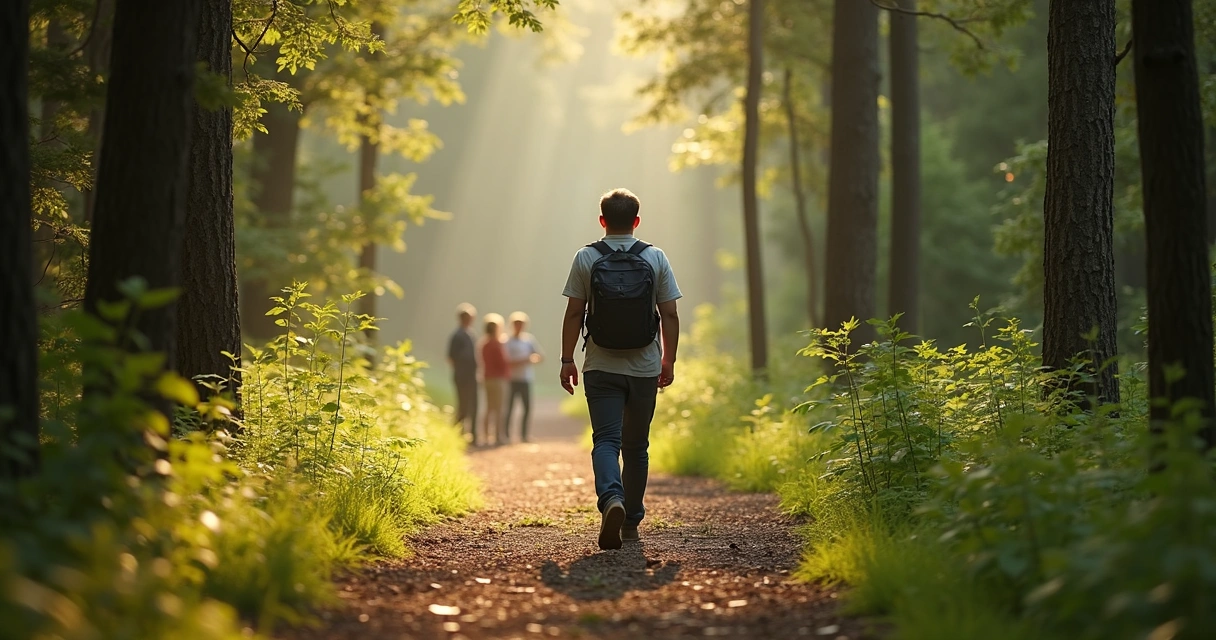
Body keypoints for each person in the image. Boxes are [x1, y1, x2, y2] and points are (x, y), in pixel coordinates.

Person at [559, 188, 681, 551]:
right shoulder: (655, 257)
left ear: (602, 221)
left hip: (600, 365)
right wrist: (668, 359)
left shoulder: (586, 257)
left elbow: (573, 313)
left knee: (606, 440)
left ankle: (611, 498)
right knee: (637, 446)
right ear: (637, 221)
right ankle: (630, 522)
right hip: (644, 367)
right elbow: (670, 314)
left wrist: (568, 360)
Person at [503, 311, 543, 443]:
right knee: (509, 407)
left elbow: (539, 356)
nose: (519, 327)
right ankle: (506, 435)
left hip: (525, 378)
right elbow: (506, 361)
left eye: (521, 324)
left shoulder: (528, 340)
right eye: (517, 324)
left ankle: (524, 435)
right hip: (511, 379)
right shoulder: (507, 341)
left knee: (527, 407)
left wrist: (533, 359)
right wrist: (524, 360)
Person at [447, 303, 480, 444]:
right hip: (462, 376)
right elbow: (451, 357)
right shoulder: (457, 335)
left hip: (472, 375)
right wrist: (461, 370)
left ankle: (472, 434)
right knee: (463, 406)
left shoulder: (470, 334)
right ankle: (457, 435)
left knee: (474, 404)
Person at [480, 313, 510, 447]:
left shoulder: (484, 344)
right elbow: (502, 362)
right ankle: (498, 436)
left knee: (489, 408)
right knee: (499, 408)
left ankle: (486, 436)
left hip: (487, 378)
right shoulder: (497, 344)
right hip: (498, 379)